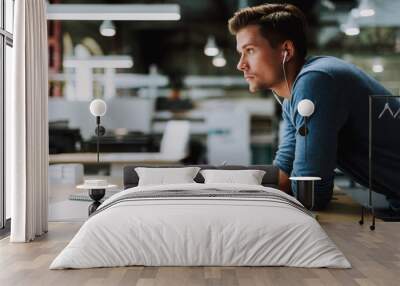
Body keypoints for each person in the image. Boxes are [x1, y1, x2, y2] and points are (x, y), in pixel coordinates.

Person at [228, 3, 400, 210]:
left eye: (250, 50)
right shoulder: (293, 96)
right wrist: (227, 187)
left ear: (286, 51)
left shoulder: (316, 81)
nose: (240, 64)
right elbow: (284, 171)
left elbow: (311, 193)